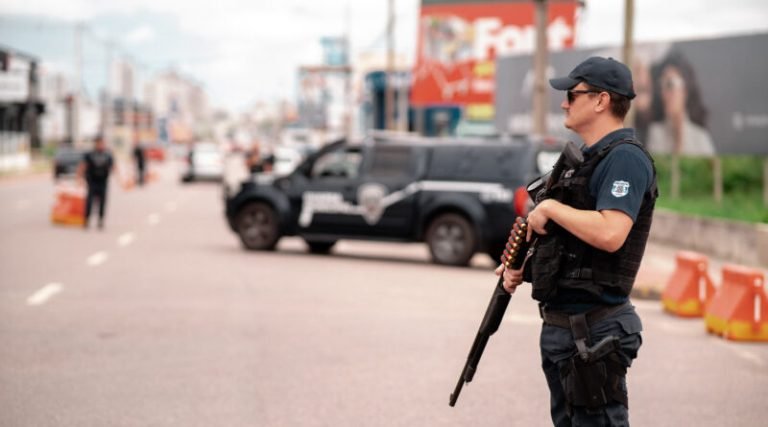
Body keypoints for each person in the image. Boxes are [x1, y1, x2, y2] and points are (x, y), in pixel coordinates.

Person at [495, 57, 657, 426]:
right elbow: (571, 244)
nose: (565, 102)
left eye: (572, 93)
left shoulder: (625, 159)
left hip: (594, 330)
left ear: (601, 100)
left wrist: (550, 208)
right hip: (565, 328)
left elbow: (610, 233)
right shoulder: (582, 161)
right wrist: (522, 267)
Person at [646, 50, 715, 156]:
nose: (664, 93)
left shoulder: (700, 137)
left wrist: (681, 133)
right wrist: (678, 142)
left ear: (685, 90)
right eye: (661, 86)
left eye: (670, 84)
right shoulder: (655, 133)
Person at [77, 134, 117, 230]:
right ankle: (86, 220)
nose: (101, 145)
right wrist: (79, 178)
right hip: (92, 181)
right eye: (99, 143)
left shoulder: (108, 155)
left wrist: (121, 181)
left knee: (102, 202)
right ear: (96, 143)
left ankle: (100, 221)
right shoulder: (89, 154)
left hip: (103, 181)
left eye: (102, 143)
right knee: (89, 202)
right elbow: (82, 166)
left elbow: (114, 167)